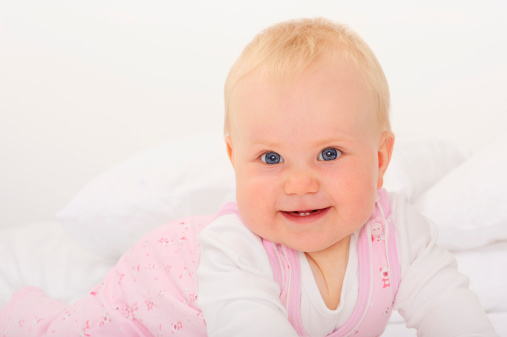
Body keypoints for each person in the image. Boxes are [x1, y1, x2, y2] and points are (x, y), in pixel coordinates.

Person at [0, 17, 498, 337]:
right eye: (271, 158)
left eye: (328, 153)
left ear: (382, 158)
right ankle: (23, 313)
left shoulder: (400, 233)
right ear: (234, 159)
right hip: (155, 292)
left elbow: (448, 308)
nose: (299, 183)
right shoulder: (233, 247)